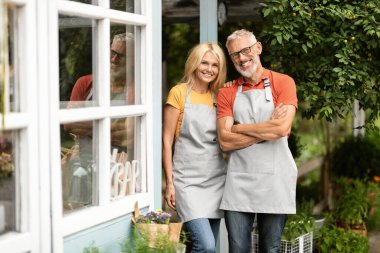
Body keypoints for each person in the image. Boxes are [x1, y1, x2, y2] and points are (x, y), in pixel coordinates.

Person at [216, 29, 298, 253]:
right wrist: (266, 130)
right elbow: (225, 140)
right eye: (235, 55)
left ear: (258, 48)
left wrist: (239, 128)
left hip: (275, 179)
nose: (242, 58)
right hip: (239, 182)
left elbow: (281, 128)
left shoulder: (283, 82)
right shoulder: (227, 92)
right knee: (238, 248)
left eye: (246, 50)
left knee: (270, 249)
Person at [163, 42, 227, 253]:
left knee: (209, 246)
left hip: (216, 180)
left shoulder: (219, 98)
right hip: (187, 182)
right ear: (194, 64)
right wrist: (170, 183)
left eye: (215, 65)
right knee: (206, 246)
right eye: (204, 63)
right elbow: (167, 140)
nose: (209, 69)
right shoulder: (178, 93)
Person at [64, 32, 135, 164]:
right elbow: (69, 124)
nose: (113, 59)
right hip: (83, 162)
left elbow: (128, 135)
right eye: (112, 52)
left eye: (120, 56)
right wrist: (113, 127)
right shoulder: (85, 83)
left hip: (119, 166)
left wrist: (86, 126)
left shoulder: (135, 89)